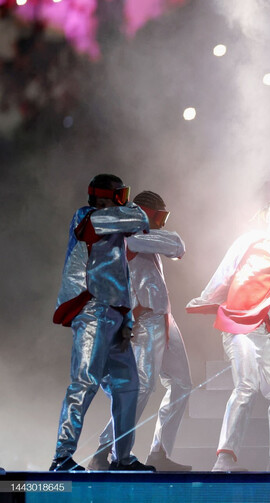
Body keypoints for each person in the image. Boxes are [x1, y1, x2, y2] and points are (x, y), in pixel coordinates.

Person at [186, 199, 270, 472]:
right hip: (238, 326)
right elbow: (225, 272)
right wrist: (204, 299)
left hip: (261, 330)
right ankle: (224, 459)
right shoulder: (248, 241)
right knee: (246, 387)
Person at [50, 173, 154, 472]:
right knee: (83, 383)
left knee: (128, 386)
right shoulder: (88, 218)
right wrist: (132, 209)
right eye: (121, 194)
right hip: (93, 310)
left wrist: (127, 319)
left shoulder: (112, 223)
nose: (126, 199)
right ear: (107, 196)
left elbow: (122, 275)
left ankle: (122, 459)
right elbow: (140, 219)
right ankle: (62, 457)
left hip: (115, 314)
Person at [88, 191, 192, 471]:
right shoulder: (125, 237)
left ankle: (159, 453)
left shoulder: (139, 237)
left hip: (163, 318)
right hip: (144, 321)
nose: (162, 222)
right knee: (142, 387)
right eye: (159, 216)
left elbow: (175, 246)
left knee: (181, 385)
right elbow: (176, 245)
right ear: (147, 213)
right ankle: (103, 450)